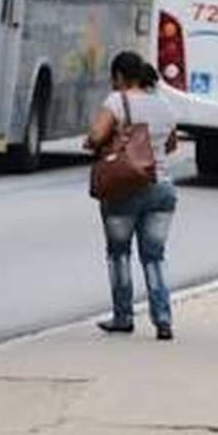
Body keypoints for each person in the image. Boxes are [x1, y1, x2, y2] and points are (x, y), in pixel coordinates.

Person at [85, 51, 179, 341]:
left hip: (123, 188)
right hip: (161, 188)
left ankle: (123, 317)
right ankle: (163, 320)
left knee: (119, 254)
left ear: (120, 76)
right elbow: (172, 145)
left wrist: (95, 141)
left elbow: (97, 136)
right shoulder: (165, 104)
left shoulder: (117, 101)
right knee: (154, 257)